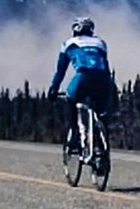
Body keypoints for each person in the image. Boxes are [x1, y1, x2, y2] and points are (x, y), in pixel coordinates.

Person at [47, 16, 111, 153]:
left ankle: (74, 136)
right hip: (104, 80)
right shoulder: (101, 43)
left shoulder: (68, 44)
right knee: (101, 113)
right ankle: (102, 145)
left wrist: (53, 89)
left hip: (83, 77)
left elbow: (60, 71)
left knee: (71, 99)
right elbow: (105, 67)